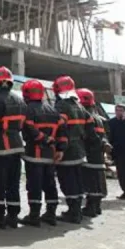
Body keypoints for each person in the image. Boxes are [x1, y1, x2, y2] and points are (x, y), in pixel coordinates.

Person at [52, 75, 100, 224]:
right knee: (77, 181)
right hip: (79, 151)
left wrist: (59, 148)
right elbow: (91, 130)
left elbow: (61, 129)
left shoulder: (61, 106)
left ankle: (73, 213)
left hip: (67, 152)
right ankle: (76, 211)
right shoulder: (79, 106)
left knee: (68, 181)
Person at [0, 67, 28, 229]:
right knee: (13, 183)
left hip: (0, 147)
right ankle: (13, 216)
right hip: (17, 146)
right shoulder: (20, 100)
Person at [19, 79, 66, 227]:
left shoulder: (28, 109)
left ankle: (34, 215)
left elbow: (29, 130)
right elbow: (62, 132)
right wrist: (60, 148)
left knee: (34, 185)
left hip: (34, 154)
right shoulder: (52, 109)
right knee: (50, 184)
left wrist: (44, 140)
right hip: (50, 156)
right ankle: (51, 214)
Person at [76, 88, 111, 217]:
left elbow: (88, 135)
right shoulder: (99, 117)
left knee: (91, 181)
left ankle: (91, 208)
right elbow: (104, 137)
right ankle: (96, 207)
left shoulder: (87, 116)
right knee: (97, 181)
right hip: (98, 155)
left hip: (90, 153)